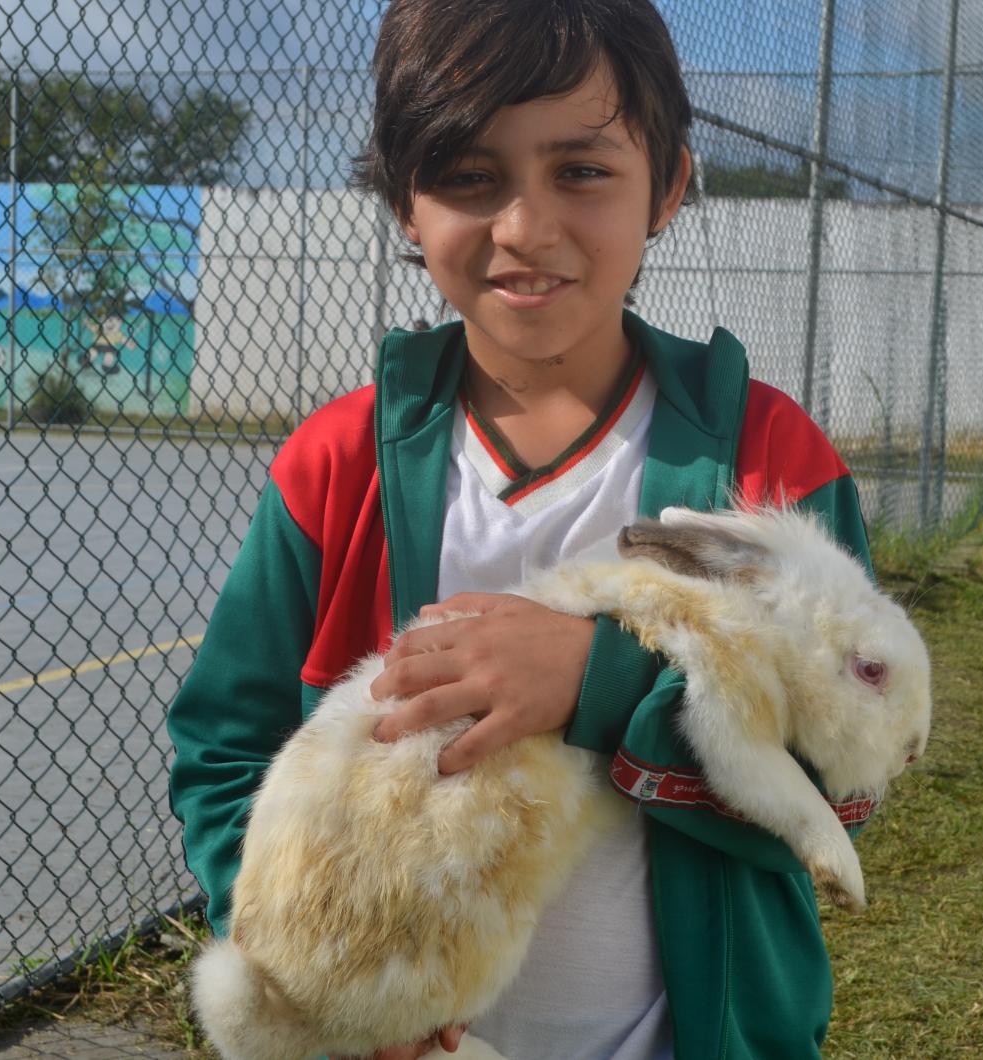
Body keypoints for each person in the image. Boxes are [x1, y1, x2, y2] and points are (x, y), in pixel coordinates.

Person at [166, 1, 878, 1057]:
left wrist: (599, 684)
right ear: (405, 203)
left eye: (580, 171)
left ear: (668, 186)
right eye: (467, 175)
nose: (523, 227)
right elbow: (226, 752)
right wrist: (319, 977)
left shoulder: (768, 466)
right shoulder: (337, 466)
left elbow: (840, 786)